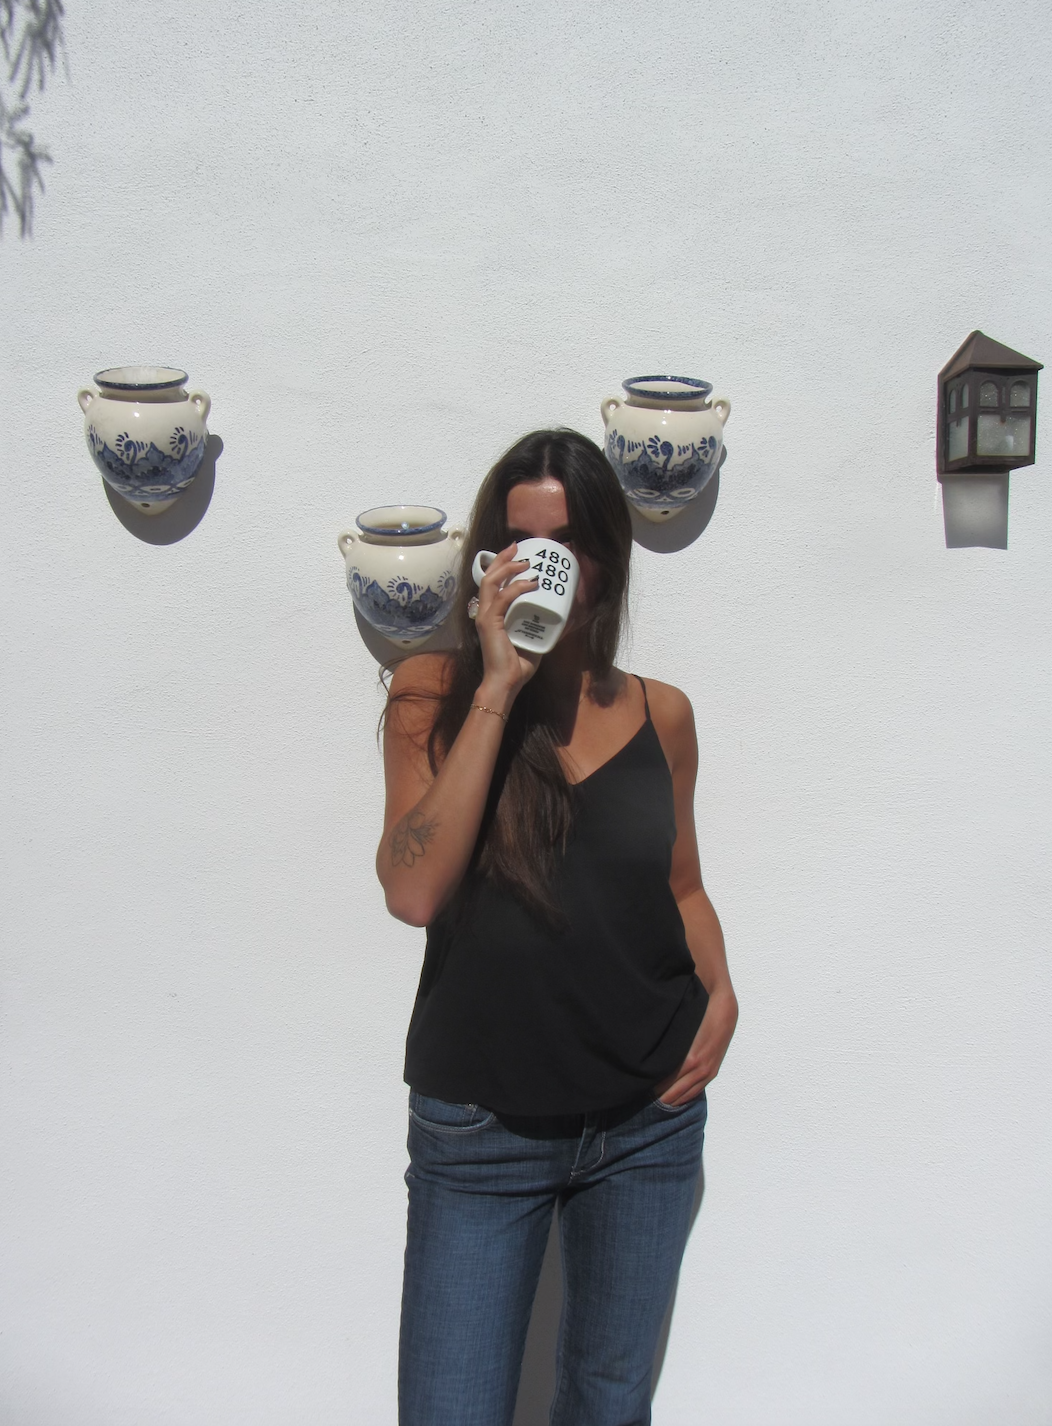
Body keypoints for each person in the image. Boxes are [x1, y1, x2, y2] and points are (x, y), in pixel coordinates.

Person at [376, 429, 738, 1426]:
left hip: (646, 1126)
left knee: (607, 1404)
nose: (540, 561)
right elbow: (413, 892)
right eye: (517, 540)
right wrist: (498, 682)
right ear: (487, 562)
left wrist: (723, 993)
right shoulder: (432, 694)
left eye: (565, 541)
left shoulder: (661, 713)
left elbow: (682, 885)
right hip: (481, 1128)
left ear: (605, 563)